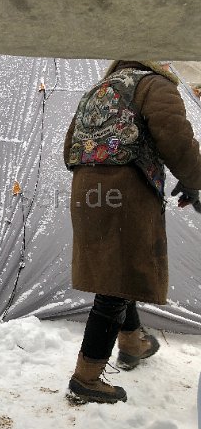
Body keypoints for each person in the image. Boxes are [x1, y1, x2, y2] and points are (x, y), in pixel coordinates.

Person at [63, 60, 201, 404]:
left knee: (118, 270)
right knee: (116, 281)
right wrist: (195, 180)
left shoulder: (100, 89)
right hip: (125, 191)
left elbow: (69, 148)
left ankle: (132, 342)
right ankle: (86, 378)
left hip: (86, 190)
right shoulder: (155, 85)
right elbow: (177, 141)